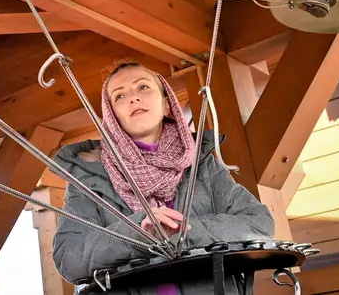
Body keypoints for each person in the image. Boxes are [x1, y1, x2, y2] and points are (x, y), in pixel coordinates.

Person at [51, 61, 274, 294]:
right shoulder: (89, 176)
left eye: (143, 87)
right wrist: (139, 233)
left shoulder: (202, 164)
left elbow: (258, 223)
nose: (133, 98)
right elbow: (70, 257)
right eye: (119, 96)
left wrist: (180, 231)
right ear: (111, 118)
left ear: (167, 104)